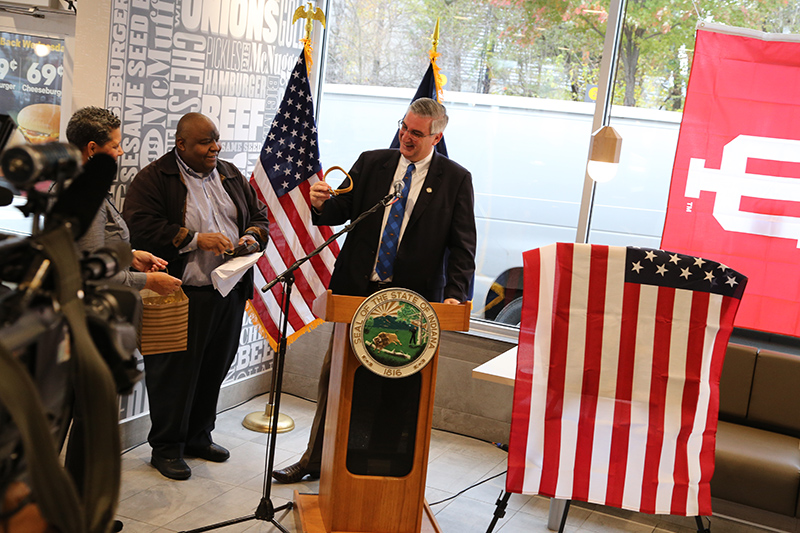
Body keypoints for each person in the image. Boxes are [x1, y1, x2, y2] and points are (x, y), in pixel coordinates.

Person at [272, 97, 476, 484]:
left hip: (410, 306)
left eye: (416, 133)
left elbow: (463, 245)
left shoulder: (455, 179)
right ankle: (313, 460)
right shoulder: (372, 162)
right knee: (337, 379)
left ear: (437, 136)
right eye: (404, 126)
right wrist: (319, 203)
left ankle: (381, 469)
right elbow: (339, 210)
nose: (406, 137)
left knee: (396, 389)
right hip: (356, 294)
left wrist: (454, 292)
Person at [122, 112, 270, 480]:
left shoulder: (231, 173)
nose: (215, 147)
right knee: (174, 374)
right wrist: (194, 239)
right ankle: (167, 448)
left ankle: (198, 437)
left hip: (228, 292)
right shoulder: (154, 178)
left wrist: (251, 235)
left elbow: (259, 215)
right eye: (206, 142)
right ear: (182, 144)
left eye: (216, 139)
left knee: (214, 368)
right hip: (182, 294)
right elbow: (139, 226)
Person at [65, 106, 182, 296]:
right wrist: (148, 281)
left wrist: (130, 257)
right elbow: (91, 272)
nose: (121, 151)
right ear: (93, 148)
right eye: (114, 146)